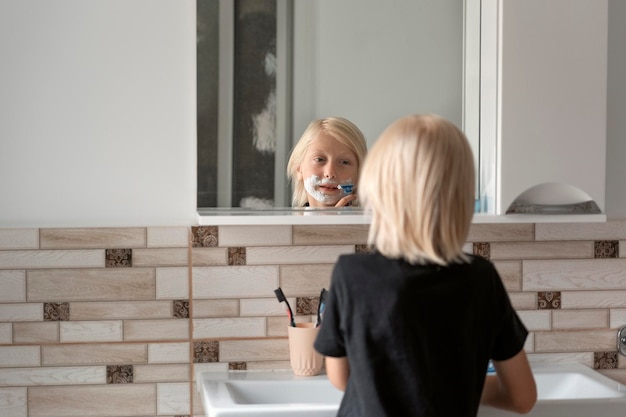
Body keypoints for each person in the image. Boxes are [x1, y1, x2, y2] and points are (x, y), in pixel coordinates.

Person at [314, 114, 537, 416]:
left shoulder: (352, 274)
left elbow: (341, 377)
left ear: (378, 189)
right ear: (460, 196)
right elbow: (522, 398)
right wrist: (456, 385)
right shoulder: (481, 278)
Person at [287, 117, 368, 208]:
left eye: (344, 162)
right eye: (319, 160)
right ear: (298, 168)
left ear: (360, 174)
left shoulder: (375, 221)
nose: (330, 173)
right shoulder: (286, 222)